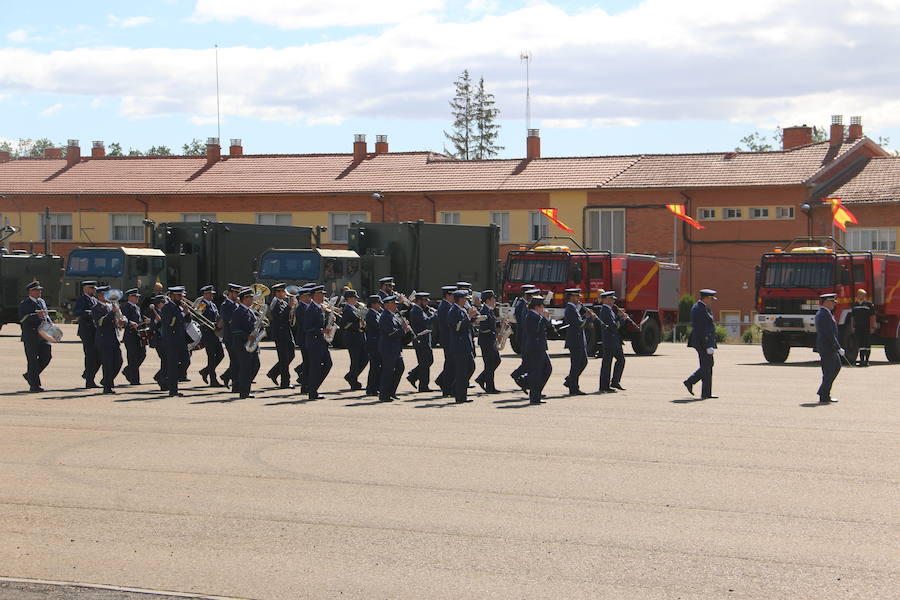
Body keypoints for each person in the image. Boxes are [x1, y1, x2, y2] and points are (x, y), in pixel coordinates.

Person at [683, 289, 718, 399]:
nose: (712, 301)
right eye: (711, 299)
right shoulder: (699, 309)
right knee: (707, 365)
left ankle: (706, 393)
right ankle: (690, 381)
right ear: (706, 298)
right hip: (702, 342)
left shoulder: (702, 308)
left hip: (704, 341)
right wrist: (708, 345)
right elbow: (702, 329)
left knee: (708, 365)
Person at [19, 281, 52, 392]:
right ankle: (34, 385)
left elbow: (46, 315)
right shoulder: (25, 304)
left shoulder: (41, 301)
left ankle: (30, 375)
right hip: (31, 336)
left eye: (40, 290)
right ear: (30, 292)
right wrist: (35, 315)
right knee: (32, 360)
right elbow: (22, 319)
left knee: (47, 357)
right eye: (37, 290)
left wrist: (51, 326)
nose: (39, 292)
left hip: (43, 335)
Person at [91, 286, 124, 394]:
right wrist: (112, 313)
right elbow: (100, 322)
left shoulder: (111, 305)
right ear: (100, 295)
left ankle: (106, 381)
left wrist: (123, 320)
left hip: (114, 338)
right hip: (104, 339)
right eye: (105, 294)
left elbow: (120, 317)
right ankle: (107, 387)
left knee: (118, 362)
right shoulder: (96, 308)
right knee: (107, 364)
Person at [160, 286, 191, 397]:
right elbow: (171, 322)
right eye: (179, 295)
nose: (181, 298)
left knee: (186, 361)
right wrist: (183, 314)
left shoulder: (179, 307)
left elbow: (187, 321)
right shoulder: (167, 307)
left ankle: (168, 379)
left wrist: (187, 313)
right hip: (171, 341)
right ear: (172, 296)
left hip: (181, 339)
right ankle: (173, 389)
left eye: (181, 295)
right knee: (173, 365)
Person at [302, 285, 332, 400]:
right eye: (321, 294)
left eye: (323, 294)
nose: (323, 296)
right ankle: (312, 391)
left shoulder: (320, 307)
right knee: (315, 367)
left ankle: (313, 387)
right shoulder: (311, 309)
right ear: (314, 296)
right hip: (314, 342)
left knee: (328, 364)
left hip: (321, 342)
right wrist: (321, 330)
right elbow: (307, 327)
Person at [231, 287, 261, 399]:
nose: (253, 299)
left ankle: (242, 386)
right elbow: (234, 329)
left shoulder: (249, 310)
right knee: (246, 368)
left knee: (255, 365)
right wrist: (247, 336)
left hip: (251, 343)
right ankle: (244, 392)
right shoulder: (238, 311)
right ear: (244, 299)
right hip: (241, 344)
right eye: (250, 297)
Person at [448, 289, 477, 403]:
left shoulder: (462, 310)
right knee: (461, 373)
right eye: (464, 298)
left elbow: (466, 324)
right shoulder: (453, 311)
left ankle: (456, 389)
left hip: (465, 345)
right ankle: (460, 397)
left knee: (470, 368)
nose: (466, 300)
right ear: (459, 299)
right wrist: (469, 317)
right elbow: (457, 327)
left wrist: (473, 318)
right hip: (459, 346)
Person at [523, 293, 552, 405]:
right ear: (537, 307)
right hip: (534, 347)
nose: (543, 308)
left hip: (540, 347)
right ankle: (534, 397)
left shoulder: (537, 316)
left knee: (547, 369)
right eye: (541, 306)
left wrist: (546, 319)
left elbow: (545, 327)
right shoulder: (530, 315)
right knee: (536, 372)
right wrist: (544, 319)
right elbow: (535, 329)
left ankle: (536, 392)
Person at [377, 295, 407, 402]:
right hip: (388, 348)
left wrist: (403, 327)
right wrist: (404, 330)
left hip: (394, 348)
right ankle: (384, 395)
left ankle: (391, 391)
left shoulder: (392, 315)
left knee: (400, 368)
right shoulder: (385, 316)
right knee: (388, 371)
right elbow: (391, 332)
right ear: (387, 305)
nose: (396, 305)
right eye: (393, 303)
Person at [266, 283, 296, 388]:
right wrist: (289, 307)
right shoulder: (275, 303)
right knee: (284, 358)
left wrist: (291, 308)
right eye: (282, 291)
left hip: (286, 332)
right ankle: (285, 382)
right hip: (280, 333)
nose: (284, 293)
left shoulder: (282, 302)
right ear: (277, 293)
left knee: (291, 355)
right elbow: (280, 317)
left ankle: (273, 373)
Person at [815, 293, 843, 404]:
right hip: (828, 347)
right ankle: (824, 394)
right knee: (829, 371)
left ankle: (824, 392)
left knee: (835, 368)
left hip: (829, 347)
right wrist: (838, 347)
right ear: (826, 302)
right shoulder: (823, 314)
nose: (834, 304)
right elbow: (829, 334)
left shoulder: (826, 313)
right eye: (832, 302)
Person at [72, 280, 101, 388]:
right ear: (85, 289)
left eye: (94, 288)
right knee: (90, 355)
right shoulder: (82, 299)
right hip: (86, 331)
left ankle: (88, 374)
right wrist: (89, 313)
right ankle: (89, 380)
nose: (94, 290)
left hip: (95, 331)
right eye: (91, 288)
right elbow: (76, 313)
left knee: (98, 355)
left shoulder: (94, 299)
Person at [406, 291, 437, 392]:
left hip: (425, 338)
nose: (427, 302)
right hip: (420, 339)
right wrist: (435, 316)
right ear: (419, 301)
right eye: (425, 300)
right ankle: (423, 386)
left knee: (428, 361)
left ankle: (413, 375)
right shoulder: (416, 310)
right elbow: (425, 322)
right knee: (424, 362)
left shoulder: (420, 309)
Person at [510, 285, 538, 392]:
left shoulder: (525, 305)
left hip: (526, 338)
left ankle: (522, 378)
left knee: (528, 362)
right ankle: (520, 378)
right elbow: (523, 324)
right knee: (528, 362)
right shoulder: (521, 305)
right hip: (524, 338)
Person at [562, 288, 589, 395]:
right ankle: (573, 387)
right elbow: (578, 324)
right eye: (576, 297)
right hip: (575, 340)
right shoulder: (570, 308)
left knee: (583, 362)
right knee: (576, 364)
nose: (578, 299)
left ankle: (570, 381)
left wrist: (584, 318)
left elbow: (578, 322)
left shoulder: (574, 308)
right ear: (571, 297)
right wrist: (587, 318)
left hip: (578, 340)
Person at [598, 291, 626, 393]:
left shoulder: (609, 310)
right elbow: (613, 326)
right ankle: (604, 386)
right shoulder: (605, 310)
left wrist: (619, 316)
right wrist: (622, 319)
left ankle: (614, 381)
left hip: (614, 341)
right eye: (611, 299)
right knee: (607, 363)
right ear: (605, 300)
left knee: (621, 360)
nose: (613, 301)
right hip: (610, 341)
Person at [196, 285, 224, 387]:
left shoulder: (213, 305)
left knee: (221, 355)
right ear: (205, 294)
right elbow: (197, 318)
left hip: (215, 333)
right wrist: (213, 324)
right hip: (208, 334)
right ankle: (213, 380)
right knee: (211, 357)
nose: (212, 295)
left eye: (212, 293)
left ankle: (205, 371)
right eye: (210, 293)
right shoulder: (202, 304)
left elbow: (216, 316)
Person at [340, 289, 368, 390]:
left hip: (360, 336)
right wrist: (359, 324)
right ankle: (353, 381)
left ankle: (351, 376)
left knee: (364, 358)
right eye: (354, 297)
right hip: (352, 337)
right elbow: (345, 325)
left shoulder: (355, 308)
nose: (356, 299)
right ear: (349, 299)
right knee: (355, 360)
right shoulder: (347, 309)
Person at [475, 290, 501, 394]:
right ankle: (490, 387)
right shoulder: (484, 310)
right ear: (489, 299)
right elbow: (484, 327)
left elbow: (492, 322)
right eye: (493, 298)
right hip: (486, 341)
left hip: (490, 340)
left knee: (495, 361)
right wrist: (496, 333)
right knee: (490, 363)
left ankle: (482, 379)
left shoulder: (489, 310)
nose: (495, 300)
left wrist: (500, 323)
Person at [120, 288, 147, 385]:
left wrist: (145, 320)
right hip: (130, 335)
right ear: (129, 297)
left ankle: (128, 371)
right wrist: (130, 323)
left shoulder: (136, 307)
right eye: (135, 296)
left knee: (142, 354)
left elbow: (139, 318)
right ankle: (134, 380)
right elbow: (122, 319)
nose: (137, 298)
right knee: (133, 357)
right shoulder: (126, 307)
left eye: (137, 297)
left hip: (139, 334)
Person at [434, 285, 457, 397]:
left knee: (451, 363)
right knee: (450, 364)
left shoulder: (448, 306)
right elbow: (447, 324)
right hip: (448, 339)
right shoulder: (444, 307)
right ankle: (446, 387)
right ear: (448, 295)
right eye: (453, 295)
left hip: (450, 339)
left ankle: (442, 381)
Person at [218, 283, 241, 391]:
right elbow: (230, 320)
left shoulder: (236, 305)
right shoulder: (225, 305)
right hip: (230, 337)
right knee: (236, 361)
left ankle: (227, 377)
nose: (237, 295)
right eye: (236, 293)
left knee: (236, 361)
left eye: (238, 293)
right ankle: (235, 385)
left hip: (237, 337)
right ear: (230, 293)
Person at [145, 294, 168, 391]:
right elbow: (152, 327)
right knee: (165, 361)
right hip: (159, 341)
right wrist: (156, 322)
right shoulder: (154, 313)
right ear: (158, 304)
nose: (164, 304)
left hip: (166, 340)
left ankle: (160, 377)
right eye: (163, 302)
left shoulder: (164, 311)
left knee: (167, 361)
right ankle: (162, 381)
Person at [293, 285, 313, 390]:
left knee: (308, 361)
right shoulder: (301, 307)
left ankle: (304, 381)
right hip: (304, 338)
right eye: (308, 296)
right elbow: (306, 322)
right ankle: (304, 384)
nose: (310, 297)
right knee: (307, 362)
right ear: (302, 297)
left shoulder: (306, 306)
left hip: (306, 337)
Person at [851, 289, 876, 367]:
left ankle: (867, 361)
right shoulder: (855, 305)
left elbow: (872, 316)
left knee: (867, 343)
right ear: (857, 295)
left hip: (867, 327)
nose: (861, 296)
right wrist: (852, 326)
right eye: (860, 294)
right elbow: (852, 317)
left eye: (863, 295)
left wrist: (872, 326)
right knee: (860, 344)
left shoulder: (869, 304)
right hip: (858, 327)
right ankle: (861, 361)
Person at [364, 295, 383, 397]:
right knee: (375, 367)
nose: (380, 305)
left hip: (377, 343)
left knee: (376, 366)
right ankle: (371, 388)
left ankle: (374, 387)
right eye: (378, 303)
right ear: (373, 304)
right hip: (373, 343)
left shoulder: (377, 313)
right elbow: (377, 326)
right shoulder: (371, 314)